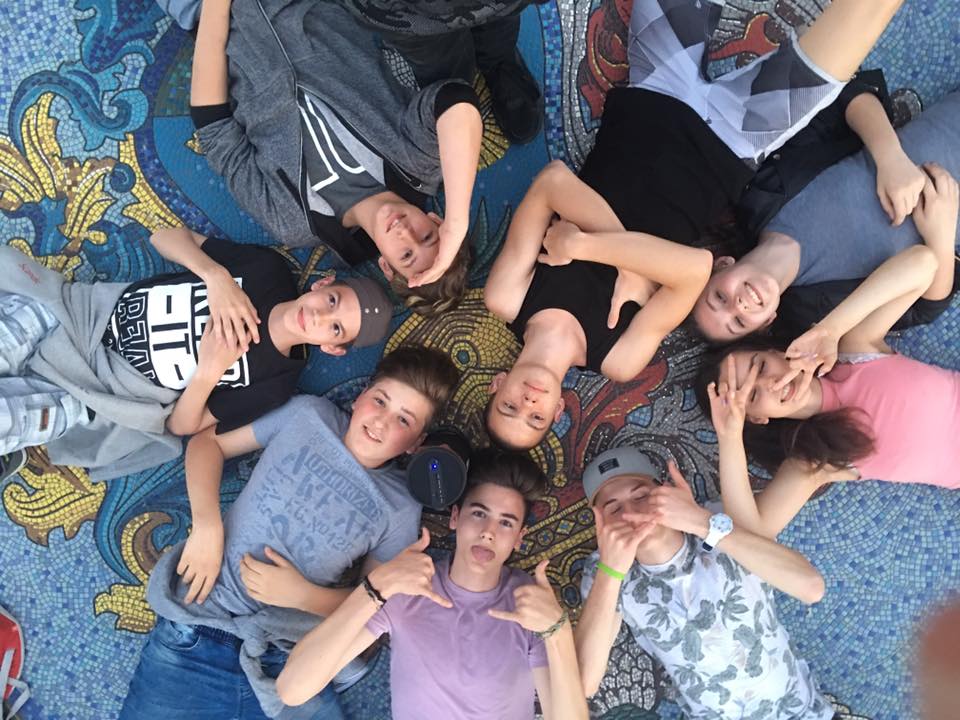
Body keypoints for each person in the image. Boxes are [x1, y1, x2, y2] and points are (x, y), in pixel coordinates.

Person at [483, 0, 906, 449]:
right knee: (870, 12)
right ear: (558, 412)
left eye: (509, 406)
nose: (528, 401)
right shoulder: (617, 358)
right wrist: (585, 246)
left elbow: (552, 182)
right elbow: (697, 268)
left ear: (497, 385)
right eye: (536, 418)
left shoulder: (507, 298)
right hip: (733, 141)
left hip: (655, 90)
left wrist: (641, 265)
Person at [118, 345, 459, 720]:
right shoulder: (308, 416)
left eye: (404, 420)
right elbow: (207, 443)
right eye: (380, 401)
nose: (381, 421)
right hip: (198, 629)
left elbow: (374, 606)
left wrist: (304, 596)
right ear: (361, 396)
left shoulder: (400, 506)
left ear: (415, 444)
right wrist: (207, 526)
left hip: (286, 659)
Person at [0, 227, 391, 477]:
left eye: (335, 328)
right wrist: (215, 276)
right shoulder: (267, 271)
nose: (321, 316)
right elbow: (163, 238)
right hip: (80, 314)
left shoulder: (276, 383)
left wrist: (208, 372)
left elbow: (181, 426)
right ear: (323, 284)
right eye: (333, 301)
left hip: (103, 394)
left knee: (11, 419)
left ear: (332, 348)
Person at [188, 0, 483, 314]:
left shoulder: (294, 222)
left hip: (210, 18)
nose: (405, 232)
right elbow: (456, 99)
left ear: (386, 266)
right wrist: (457, 221)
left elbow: (214, 128)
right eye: (426, 236)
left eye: (406, 255)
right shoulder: (417, 161)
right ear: (436, 221)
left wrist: (215, 10)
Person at [275, 448, 589, 720]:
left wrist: (558, 630)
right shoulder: (408, 586)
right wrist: (375, 588)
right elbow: (292, 689)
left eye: (506, 522)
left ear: (519, 538)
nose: (489, 532)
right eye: (479, 513)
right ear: (455, 517)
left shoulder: (530, 604)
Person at [696, 242, 960, 541]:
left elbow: (923, 263)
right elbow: (753, 534)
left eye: (761, 366)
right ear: (757, 418)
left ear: (775, 352)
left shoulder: (856, 350)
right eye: (753, 396)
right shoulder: (813, 460)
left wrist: (831, 329)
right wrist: (730, 438)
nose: (771, 383)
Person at [574, 446, 833, 719]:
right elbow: (584, 683)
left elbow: (811, 587)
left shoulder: (722, 519)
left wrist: (701, 522)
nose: (631, 513)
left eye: (641, 496)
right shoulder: (604, 573)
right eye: (614, 509)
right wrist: (611, 570)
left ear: (665, 492)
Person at [694, 90, 960, 342]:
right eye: (739, 322)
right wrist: (942, 237)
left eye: (719, 297)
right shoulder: (824, 313)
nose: (738, 305)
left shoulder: (763, 189)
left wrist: (890, 158)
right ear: (766, 322)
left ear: (723, 264)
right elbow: (925, 309)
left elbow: (845, 94)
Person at [338, 0, 547, 145]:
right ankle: (454, 93)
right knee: (440, 64)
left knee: (499, 29)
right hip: (406, 13)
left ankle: (497, 62)